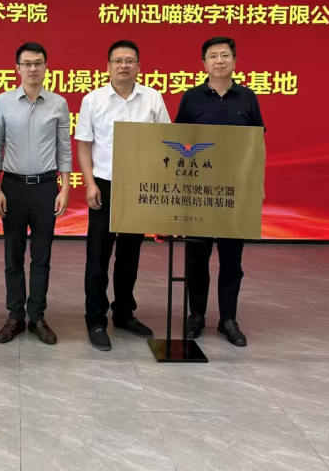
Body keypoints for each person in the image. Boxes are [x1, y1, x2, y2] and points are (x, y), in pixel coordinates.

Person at [75, 40, 171, 351]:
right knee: (98, 257)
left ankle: (124, 313)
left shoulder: (152, 98)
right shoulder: (93, 100)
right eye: (118, 60)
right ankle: (95, 319)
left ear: (139, 66)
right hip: (104, 186)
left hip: (138, 187)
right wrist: (90, 184)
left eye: (130, 60)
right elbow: (84, 145)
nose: (124, 65)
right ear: (108, 67)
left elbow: (166, 140)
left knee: (130, 256)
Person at [175, 36, 266, 347]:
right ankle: (196, 315)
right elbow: (179, 143)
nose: (219, 60)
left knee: (231, 261)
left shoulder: (248, 98)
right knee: (196, 259)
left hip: (235, 193)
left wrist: (257, 184)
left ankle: (228, 318)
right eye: (212, 56)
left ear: (234, 61)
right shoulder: (191, 98)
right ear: (204, 64)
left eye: (225, 55)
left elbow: (257, 144)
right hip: (198, 192)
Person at [0, 42, 72, 345]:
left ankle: (37, 317)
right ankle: (15, 316)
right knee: (13, 255)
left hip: (46, 188)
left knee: (41, 257)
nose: (33, 68)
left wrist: (65, 187)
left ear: (46, 67)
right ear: (17, 68)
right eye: (27, 63)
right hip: (12, 187)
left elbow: (64, 148)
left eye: (38, 63)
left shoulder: (58, 103)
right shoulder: (3, 101)